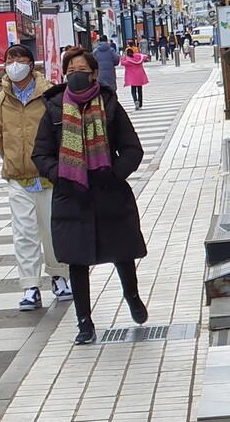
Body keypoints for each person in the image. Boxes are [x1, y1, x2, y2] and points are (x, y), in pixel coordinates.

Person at [32, 46, 149, 345]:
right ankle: (84, 322)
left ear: (95, 73)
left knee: (121, 252)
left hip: (108, 192)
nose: (76, 76)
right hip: (72, 196)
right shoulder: (55, 109)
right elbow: (41, 153)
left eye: (81, 71)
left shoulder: (110, 105)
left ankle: (132, 296)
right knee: (77, 260)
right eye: (70, 72)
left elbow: (133, 147)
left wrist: (114, 172)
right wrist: (60, 174)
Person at [0, 44, 72, 312]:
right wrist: (13, 159)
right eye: (9, 59)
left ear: (31, 63)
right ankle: (30, 286)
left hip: (48, 175)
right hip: (18, 178)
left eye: (20, 58)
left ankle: (59, 277)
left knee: (52, 231)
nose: (15, 64)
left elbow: (61, 130)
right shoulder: (1, 101)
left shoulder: (49, 94)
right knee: (23, 234)